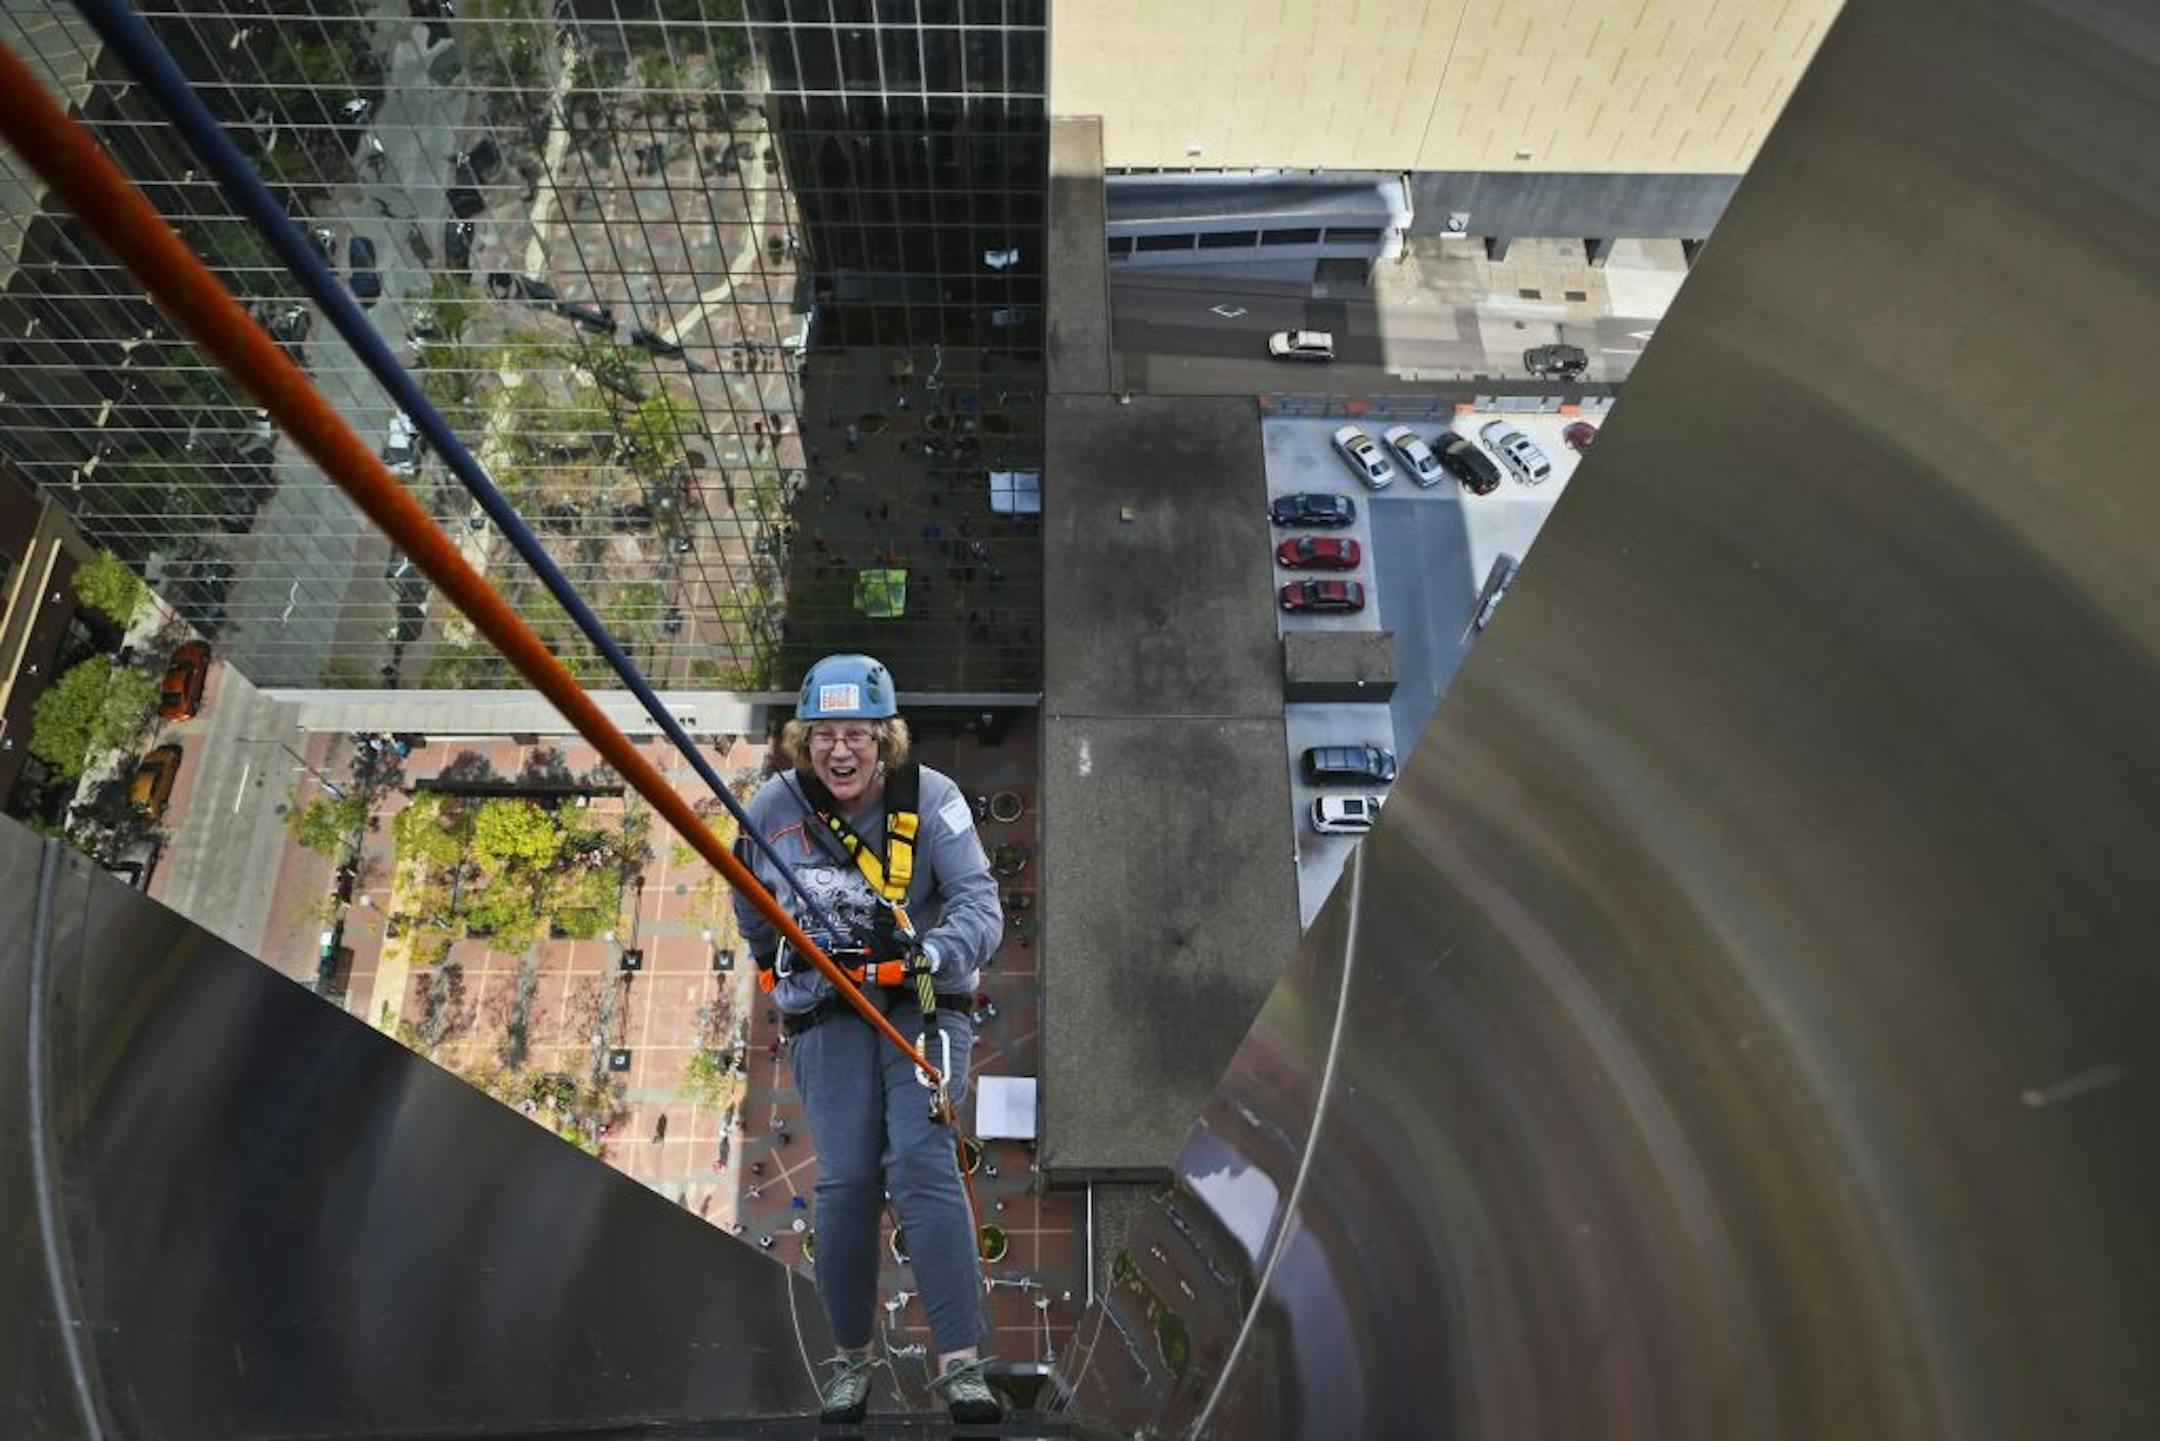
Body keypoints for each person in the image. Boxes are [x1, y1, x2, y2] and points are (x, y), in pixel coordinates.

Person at [733, 653, 1004, 1426]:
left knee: (922, 1165)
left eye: (858, 734)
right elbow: (751, 899)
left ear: (886, 740)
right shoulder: (773, 808)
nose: (841, 751)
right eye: (825, 735)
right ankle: (852, 1360)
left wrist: (938, 951)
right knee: (846, 1182)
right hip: (828, 1007)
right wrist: (767, 969)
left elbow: (980, 907)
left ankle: (960, 1364)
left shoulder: (933, 800)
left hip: (919, 1000)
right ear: (802, 741)